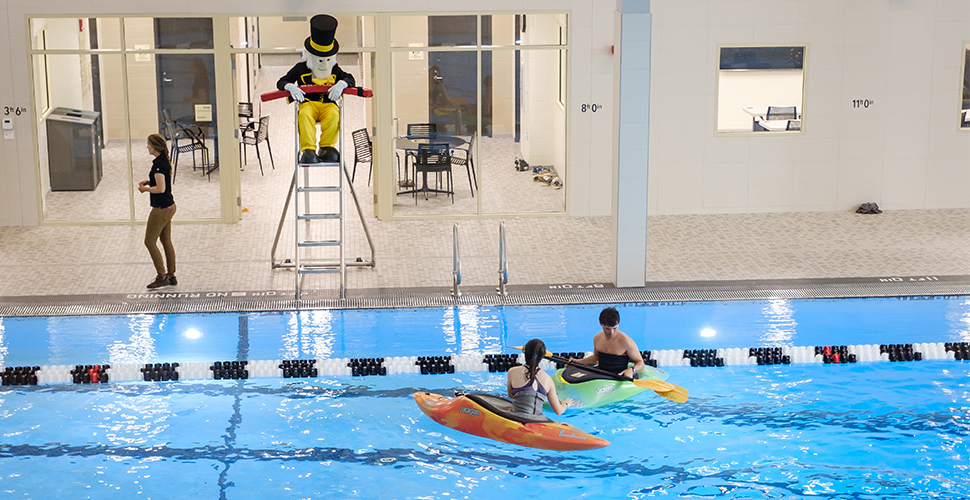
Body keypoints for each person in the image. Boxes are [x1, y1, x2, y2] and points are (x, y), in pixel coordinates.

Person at [277, 14, 356, 165]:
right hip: (309, 104)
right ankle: (308, 149)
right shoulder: (301, 68)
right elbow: (282, 81)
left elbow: (350, 78)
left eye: (327, 60)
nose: (323, 64)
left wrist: (342, 84)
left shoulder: (334, 69)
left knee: (334, 115)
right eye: (320, 60)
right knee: (305, 115)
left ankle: (327, 147)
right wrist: (290, 86)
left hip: (327, 105)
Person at [138, 133, 177, 289]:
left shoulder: (158, 165)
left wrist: (145, 189)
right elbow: (161, 180)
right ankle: (171, 275)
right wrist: (149, 181)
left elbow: (161, 188)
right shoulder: (161, 162)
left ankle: (162, 276)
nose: (147, 146)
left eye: (148, 144)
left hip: (161, 209)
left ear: (155, 146)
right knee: (166, 241)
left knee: (149, 242)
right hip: (170, 206)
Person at [573, 306, 644, 379]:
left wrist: (632, 370)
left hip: (619, 378)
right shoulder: (597, 338)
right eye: (607, 329)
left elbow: (640, 362)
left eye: (614, 328)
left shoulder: (626, 342)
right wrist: (576, 362)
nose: (611, 332)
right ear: (600, 323)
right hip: (601, 376)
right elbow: (595, 359)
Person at [506, 339, 571, 416]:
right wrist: (565, 404)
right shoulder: (548, 379)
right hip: (536, 421)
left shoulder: (512, 371)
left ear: (525, 353)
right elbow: (558, 411)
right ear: (542, 356)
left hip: (515, 418)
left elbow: (511, 395)